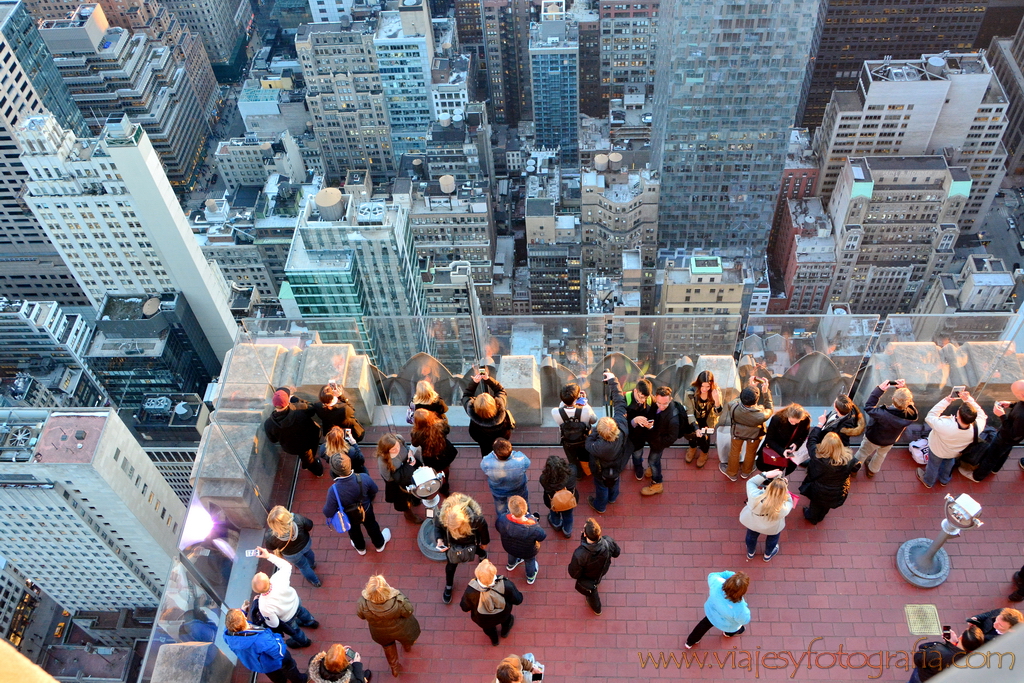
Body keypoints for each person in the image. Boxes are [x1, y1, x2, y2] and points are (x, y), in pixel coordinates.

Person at [248, 548, 320, 648]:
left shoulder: (263, 605)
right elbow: (286, 566)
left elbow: (274, 623)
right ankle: (311, 622)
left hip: (287, 618)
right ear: (268, 580)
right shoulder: (277, 579)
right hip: (295, 602)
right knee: (303, 612)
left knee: (295, 631)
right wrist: (268, 556)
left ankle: (305, 642)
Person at [323, 454, 391, 555]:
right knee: (372, 525)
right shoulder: (363, 478)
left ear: (334, 471)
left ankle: (360, 548)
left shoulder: (333, 490)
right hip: (366, 509)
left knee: (353, 531)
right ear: (350, 464)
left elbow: (327, 511)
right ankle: (379, 544)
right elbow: (375, 490)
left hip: (349, 515)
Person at [356, 575, 420, 678]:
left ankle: (394, 668)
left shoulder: (362, 603)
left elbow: (361, 616)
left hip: (380, 633)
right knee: (406, 638)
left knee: (388, 647)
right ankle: (407, 646)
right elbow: (409, 611)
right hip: (401, 628)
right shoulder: (398, 600)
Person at [919, 390, 986, 488]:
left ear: (958, 415)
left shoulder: (945, 425)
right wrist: (968, 399)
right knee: (949, 462)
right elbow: (981, 414)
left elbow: (930, 417)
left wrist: (946, 401)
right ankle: (944, 480)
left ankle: (928, 481)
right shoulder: (978, 427)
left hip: (937, 450)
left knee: (933, 465)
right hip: (955, 452)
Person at [585, 371, 630, 513]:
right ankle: (613, 498)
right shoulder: (622, 428)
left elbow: (588, 444)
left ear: (601, 433)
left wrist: (594, 432)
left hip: (601, 470)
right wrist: (613, 381)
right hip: (617, 464)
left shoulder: (598, 446)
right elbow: (620, 402)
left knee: (601, 486)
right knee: (615, 481)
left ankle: (600, 506)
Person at [434, 492, 490, 605]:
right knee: (450, 566)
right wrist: (439, 539)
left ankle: (482, 553)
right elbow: (437, 527)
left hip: (471, 542)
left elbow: (483, 530)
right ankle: (449, 585)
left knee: (477, 550)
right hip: (452, 546)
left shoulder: (475, 519)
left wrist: (484, 543)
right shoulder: (443, 516)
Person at [963, 379, 1024, 482]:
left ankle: (977, 476)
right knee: (1005, 451)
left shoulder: (1022, 416)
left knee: (992, 456)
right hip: (1011, 440)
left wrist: (1002, 416)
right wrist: (1011, 405)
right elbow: (1021, 405)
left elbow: (1013, 433)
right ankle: (995, 469)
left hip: (1006, 437)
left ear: (1022, 395)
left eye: (1015, 394)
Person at [224, 608, 306, 683]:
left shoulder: (228, 634)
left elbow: (236, 623)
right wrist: (278, 637)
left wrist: (243, 611)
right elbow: (279, 652)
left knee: (276, 677)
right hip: (275, 660)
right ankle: (300, 680)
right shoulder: (260, 639)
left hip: (261, 665)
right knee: (289, 665)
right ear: (244, 619)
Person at [856, 379, 917, 478]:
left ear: (892, 398)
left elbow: (868, 406)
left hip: (873, 438)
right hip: (890, 440)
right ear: (908, 402)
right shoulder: (911, 414)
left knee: (863, 452)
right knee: (881, 455)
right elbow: (910, 404)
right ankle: (872, 471)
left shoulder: (882, 414)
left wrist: (879, 390)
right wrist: (903, 390)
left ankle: (855, 468)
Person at [799, 431, 861, 525]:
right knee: (826, 506)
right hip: (837, 490)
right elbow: (857, 466)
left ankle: (812, 518)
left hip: (819, 489)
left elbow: (811, 441)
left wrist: (819, 426)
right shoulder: (849, 458)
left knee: (815, 505)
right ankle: (820, 517)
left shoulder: (818, 458)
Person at [460, 559, 524, 646]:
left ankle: (494, 641)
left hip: (483, 619)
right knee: (507, 621)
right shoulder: (506, 584)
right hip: (503, 614)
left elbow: (464, 606)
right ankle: (504, 633)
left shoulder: (471, 590)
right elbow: (518, 600)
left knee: (488, 629)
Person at [722, 378, 773, 481]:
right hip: (754, 435)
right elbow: (770, 408)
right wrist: (765, 391)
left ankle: (731, 473)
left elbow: (738, 399)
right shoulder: (761, 414)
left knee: (734, 452)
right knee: (751, 453)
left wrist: (749, 388)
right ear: (757, 399)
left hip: (737, 433)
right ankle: (746, 472)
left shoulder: (733, 406)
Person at [567, 518, 621, 615]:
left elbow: (574, 573)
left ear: (585, 535)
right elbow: (617, 553)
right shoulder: (608, 541)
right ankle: (598, 584)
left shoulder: (580, 554)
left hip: (589, 578)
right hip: (602, 570)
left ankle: (597, 609)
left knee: (592, 593)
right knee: (597, 580)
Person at [684, 571, 751, 649]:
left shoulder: (717, 583)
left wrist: (734, 577)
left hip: (711, 613)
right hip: (727, 624)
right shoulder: (741, 608)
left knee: (703, 626)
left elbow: (712, 575)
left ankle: (690, 642)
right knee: (735, 628)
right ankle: (728, 634)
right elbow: (744, 620)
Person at [265, 389, 323, 477]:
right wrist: (296, 399)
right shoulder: (299, 409)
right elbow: (311, 408)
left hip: (290, 447)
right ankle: (316, 470)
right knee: (309, 459)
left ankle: (309, 464)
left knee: (305, 455)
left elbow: (273, 440)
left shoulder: (269, 423)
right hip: (308, 441)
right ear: (287, 401)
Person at [635, 386, 682, 496]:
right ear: (656, 398)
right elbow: (654, 413)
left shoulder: (673, 418)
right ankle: (652, 470)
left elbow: (672, 438)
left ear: (670, 399)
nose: (661, 406)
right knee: (653, 459)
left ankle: (657, 483)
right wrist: (651, 422)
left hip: (658, 442)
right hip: (654, 438)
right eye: (659, 403)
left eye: (664, 404)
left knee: (653, 461)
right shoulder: (657, 404)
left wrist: (658, 441)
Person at [739, 470, 793, 561]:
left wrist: (766, 474)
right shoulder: (783, 507)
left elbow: (751, 482)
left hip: (754, 523)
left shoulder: (755, 496)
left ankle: (750, 553)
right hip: (772, 527)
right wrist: (784, 488)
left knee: (751, 536)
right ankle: (767, 555)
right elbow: (789, 500)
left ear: (769, 487)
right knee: (773, 538)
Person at [264, 506, 321, 588]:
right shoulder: (297, 519)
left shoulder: (270, 536)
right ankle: (312, 565)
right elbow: (310, 525)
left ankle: (316, 582)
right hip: (305, 544)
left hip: (292, 554)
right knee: (309, 553)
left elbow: (271, 547)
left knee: (303, 567)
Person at [496, 495, 546, 585]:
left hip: (509, 546)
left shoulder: (502, 519)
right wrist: (533, 519)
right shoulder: (533, 527)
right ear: (525, 508)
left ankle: (511, 565)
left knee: (512, 554)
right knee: (530, 561)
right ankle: (530, 577)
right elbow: (542, 536)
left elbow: (498, 527)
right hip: (528, 551)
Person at [375, 434, 425, 524]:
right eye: (393, 449)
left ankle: (414, 499)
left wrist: (410, 455)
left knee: (415, 488)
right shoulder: (382, 460)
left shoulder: (399, 438)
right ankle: (408, 514)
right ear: (386, 451)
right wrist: (401, 478)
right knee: (402, 500)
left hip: (409, 470)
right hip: (397, 481)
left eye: (397, 446)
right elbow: (387, 477)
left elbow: (406, 447)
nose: (397, 450)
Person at [463, 368, 514, 457]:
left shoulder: (471, 410)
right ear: (494, 403)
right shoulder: (500, 405)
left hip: (483, 439)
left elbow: (466, 395)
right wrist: (488, 379)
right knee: (501, 448)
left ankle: (488, 461)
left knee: (485, 451)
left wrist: (475, 382)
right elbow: (500, 390)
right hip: (501, 436)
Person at [908, 625, 984, 682]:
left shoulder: (938, 651)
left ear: (961, 638)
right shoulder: (974, 662)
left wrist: (946, 644)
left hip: (923, 677)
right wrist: (952, 643)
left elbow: (918, 657)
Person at [552, 382, 597, 478]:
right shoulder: (585, 409)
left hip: (567, 440)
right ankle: (588, 471)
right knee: (586, 456)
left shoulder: (555, 411)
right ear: (577, 397)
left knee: (572, 459)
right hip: (584, 439)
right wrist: (585, 402)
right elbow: (594, 420)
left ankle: (578, 475)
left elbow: (562, 408)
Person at [410, 408, 458, 494]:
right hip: (444, 450)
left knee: (433, 472)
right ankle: (445, 488)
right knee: (445, 470)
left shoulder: (417, 434)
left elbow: (414, 445)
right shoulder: (441, 425)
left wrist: (410, 453)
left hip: (430, 456)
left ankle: (435, 485)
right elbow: (447, 430)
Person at [683, 370, 723, 469]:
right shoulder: (690, 393)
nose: (705, 389)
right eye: (702, 386)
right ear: (698, 384)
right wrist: (696, 427)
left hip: (708, 419)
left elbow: (718, 413)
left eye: (707, 386)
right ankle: (692, 447)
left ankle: (704, 452)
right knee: (692, 434)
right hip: (694, 418)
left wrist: (717, 401)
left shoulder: (715, 392)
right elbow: (689, 412)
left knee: (705, 438)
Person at [756, 404, 810, 476]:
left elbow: (804, 435)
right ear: (787, 415)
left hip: (790, 452)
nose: (793, 424)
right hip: (775, 449)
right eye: (791, 421)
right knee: (771, 469)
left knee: (784, 469)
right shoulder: (777, 419)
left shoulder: (805, 420)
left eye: (796, 422)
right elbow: (769, 439)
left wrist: (797, 444)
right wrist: (782, 451)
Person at [481, 438, 531, 515]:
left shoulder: (486, 462)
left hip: (498, 490)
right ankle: (525, 516)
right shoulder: (521, 459)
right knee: (522, 503)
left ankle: (503, 519)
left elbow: (484, 470)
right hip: (517, 487)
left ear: (496, 454)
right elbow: (527, 464)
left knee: (500, 506)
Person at [539, 454, 578, 538]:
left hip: (552, 501)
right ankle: (567, 531)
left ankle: (556, 524)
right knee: (568, 514)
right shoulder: (572, 471)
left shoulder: (544, 479)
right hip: (569, 499)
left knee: (554, 512)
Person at [624, 378, 655, 477]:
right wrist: (633, 421)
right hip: (627, 433)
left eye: (645, 398)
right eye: (641, 397)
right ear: (635, 391)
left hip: (640, 436)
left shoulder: (650, 399)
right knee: (624, 452)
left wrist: (651, 424)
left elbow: (656, 415)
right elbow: (619, 420)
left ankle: (638, 465)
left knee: (638, 453)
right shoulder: (625, 399)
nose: (643, 401)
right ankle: (623, 463)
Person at [307, 643, 372, 683]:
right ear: (343, 664)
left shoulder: (314, 661)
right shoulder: (349, 678)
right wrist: (357, 665)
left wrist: (336, 655)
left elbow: (329, 660)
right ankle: (364, 677)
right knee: (359, 676)